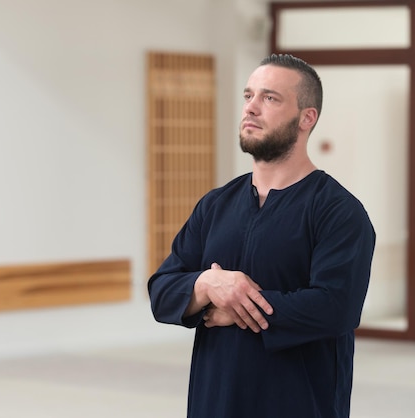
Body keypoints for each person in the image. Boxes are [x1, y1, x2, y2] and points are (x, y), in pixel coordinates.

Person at [147, 54, 376, 418]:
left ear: (307, 117)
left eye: (270, 98)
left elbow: (336, 308)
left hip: (298, 403)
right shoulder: (215, 204)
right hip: (214, 402)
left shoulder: (339, 211)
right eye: (248, 95)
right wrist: (206, 285)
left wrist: (236, 305)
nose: (251, 108)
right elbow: (161, 291)